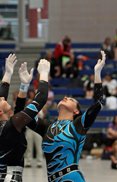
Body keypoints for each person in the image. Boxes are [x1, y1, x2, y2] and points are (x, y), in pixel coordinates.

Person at [27, 51, 106, 182]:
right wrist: (24, 87)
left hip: (72, 178)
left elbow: (97, 104)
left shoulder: (78, 125)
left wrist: (97, 73)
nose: (65, 97)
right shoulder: (47, 126)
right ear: (57, 111)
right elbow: (23, 117)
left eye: (70, 99)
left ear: (76, 111)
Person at [0, 53, 50, 182]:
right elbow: (41, 100)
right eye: (0, 100)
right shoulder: (10, 126)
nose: (2, 98)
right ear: (0, 111)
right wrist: (44, 75)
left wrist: (14, 79)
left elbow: (13, 108)